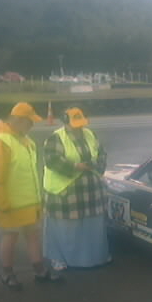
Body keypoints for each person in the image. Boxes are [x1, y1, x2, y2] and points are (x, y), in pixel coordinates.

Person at [0, 102, 61, 290]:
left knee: (33, 235)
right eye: (30, 122)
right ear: (18, 120)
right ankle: (7, 273)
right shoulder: (0, 143)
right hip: (10, 203)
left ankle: (39, 270)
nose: (32, 126)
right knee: (9, 237)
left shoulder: (27, 141)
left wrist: (38, 198)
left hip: (30, 201)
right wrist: (2, 202)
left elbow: (31, 173)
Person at [42, 107, 110, 270]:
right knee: (66, 227)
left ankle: (94, 257)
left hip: (90, 190)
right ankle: (58, 258)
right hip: (65, 191)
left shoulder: (90, 134)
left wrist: (96, 165)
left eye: (81, 124)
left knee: (92, 225)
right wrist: (74, 166)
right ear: (66, 123)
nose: (79, 128)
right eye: (75, 125)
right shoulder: (56, 138)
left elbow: (101, 154)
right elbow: (51, 160)